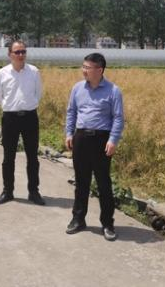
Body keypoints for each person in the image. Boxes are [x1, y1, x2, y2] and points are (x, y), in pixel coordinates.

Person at [65, 52, 124, 241]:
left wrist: (113, 140)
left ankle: (107, 223)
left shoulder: (113, 91)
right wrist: (69, 134)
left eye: (87, 68)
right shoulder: (77, 88)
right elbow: (71, 112)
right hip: (81, 138)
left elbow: (118, 118)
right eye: (83, 67)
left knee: (103, 183)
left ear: (99, 70)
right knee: (81, 182)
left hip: (101, 140)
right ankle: (78, 219)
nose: (84, 71)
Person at [0, 40, 45, 205]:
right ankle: (8, 191)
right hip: (10, 118)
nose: (21, 55)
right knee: (8, 157)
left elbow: (38, 94)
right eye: (17, 52)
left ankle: (34, 192)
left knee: (32, 157)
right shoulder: (2, 73)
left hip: (30, 117)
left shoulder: (34, 72)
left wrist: (28, 105)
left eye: (23, 52)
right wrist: (10, 106)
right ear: (10, 54)